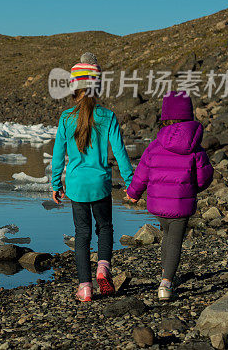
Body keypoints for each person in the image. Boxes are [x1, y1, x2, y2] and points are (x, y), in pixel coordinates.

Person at [51, 52, 134, 302]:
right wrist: (131, 184)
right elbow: (120, 153)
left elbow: (58, 156)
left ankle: (85, 287)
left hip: (76, 186)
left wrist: (56, 184)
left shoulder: (66, 118)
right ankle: (103, 268)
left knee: (82, 234)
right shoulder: (108, 116)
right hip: (100, 185)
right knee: (105, 227)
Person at [125, 91, 213, 300]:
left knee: (166, 234)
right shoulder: (195, 148)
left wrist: (133, 193)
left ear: (165, 116)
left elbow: (142, 174)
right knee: (174, 240)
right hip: (181, 204)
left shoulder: (155, 144)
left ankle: (165, 273)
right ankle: (166, 283)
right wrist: (192, 188)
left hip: (157, 204)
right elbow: (204, 177)